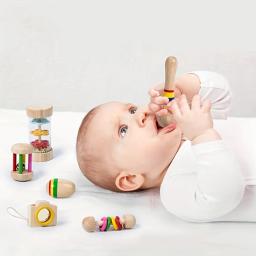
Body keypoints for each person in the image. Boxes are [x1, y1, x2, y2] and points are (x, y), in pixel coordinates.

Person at [76, 71, 256, 222]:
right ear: (130, 178)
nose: (141, 113)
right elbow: (223, 197)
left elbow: (222, 93)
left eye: (131, 110)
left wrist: (183, 89)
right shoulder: (173, 191)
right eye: (123, 130)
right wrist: (202, 135)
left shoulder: (189, 122)